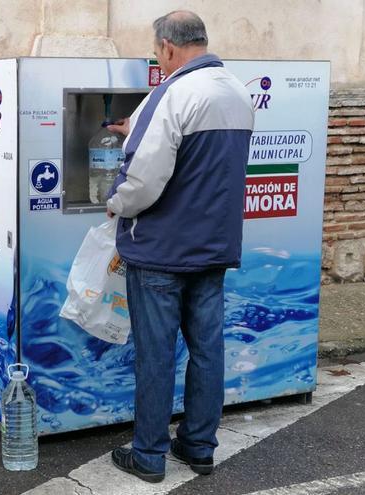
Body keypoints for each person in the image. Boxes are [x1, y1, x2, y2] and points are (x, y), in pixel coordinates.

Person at [105, 10, 254, 483]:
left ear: (168, 47)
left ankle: (148, 455)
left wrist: (116, 203)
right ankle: (198, 447)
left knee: (157, 353)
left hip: (161, 252)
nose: (158, 60)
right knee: (207, 349)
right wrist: (140, 129)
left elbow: (146, 179)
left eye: (157, 52)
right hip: (213, 248)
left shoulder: (172, 92)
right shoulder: (236, 90)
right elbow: (202, 160)